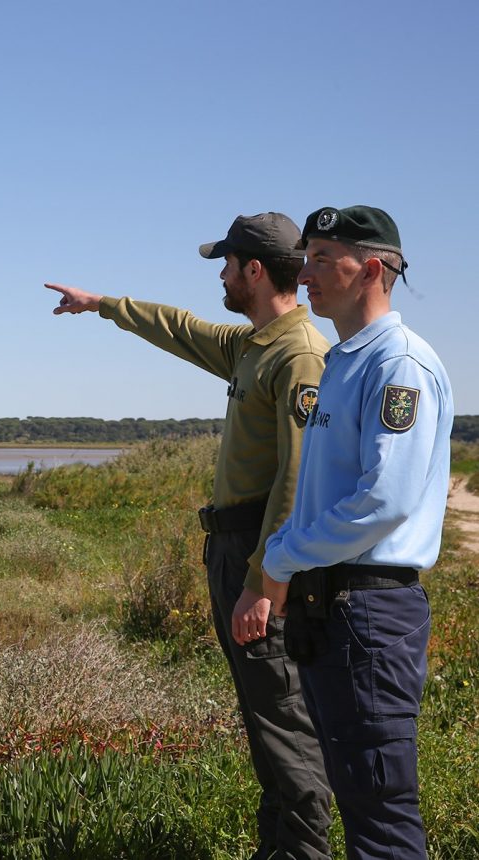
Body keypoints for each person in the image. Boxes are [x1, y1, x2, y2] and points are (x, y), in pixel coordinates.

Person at [46, 212, 332, 860]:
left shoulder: (300, 353)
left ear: (254, 270)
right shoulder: (254, 345)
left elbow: (300, 480)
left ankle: (303, 851)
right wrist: (102, 306)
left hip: (264, 557)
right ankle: (276, 850)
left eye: (227, 265)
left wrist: (264, 582)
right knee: (265, 721)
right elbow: (179, 328)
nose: (222, 278)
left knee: (284, 722)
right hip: (233, 551)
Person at [262, 206, 454, 860]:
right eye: (304, 257)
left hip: (370, 614)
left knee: (380, 815)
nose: (304, 272)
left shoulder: (398, 365)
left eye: (320, 257)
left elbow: (382, 501)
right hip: (333, 611)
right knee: (356, 795)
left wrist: (279, 559)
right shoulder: (344, 361)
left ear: (371, 268)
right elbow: (323, 496)